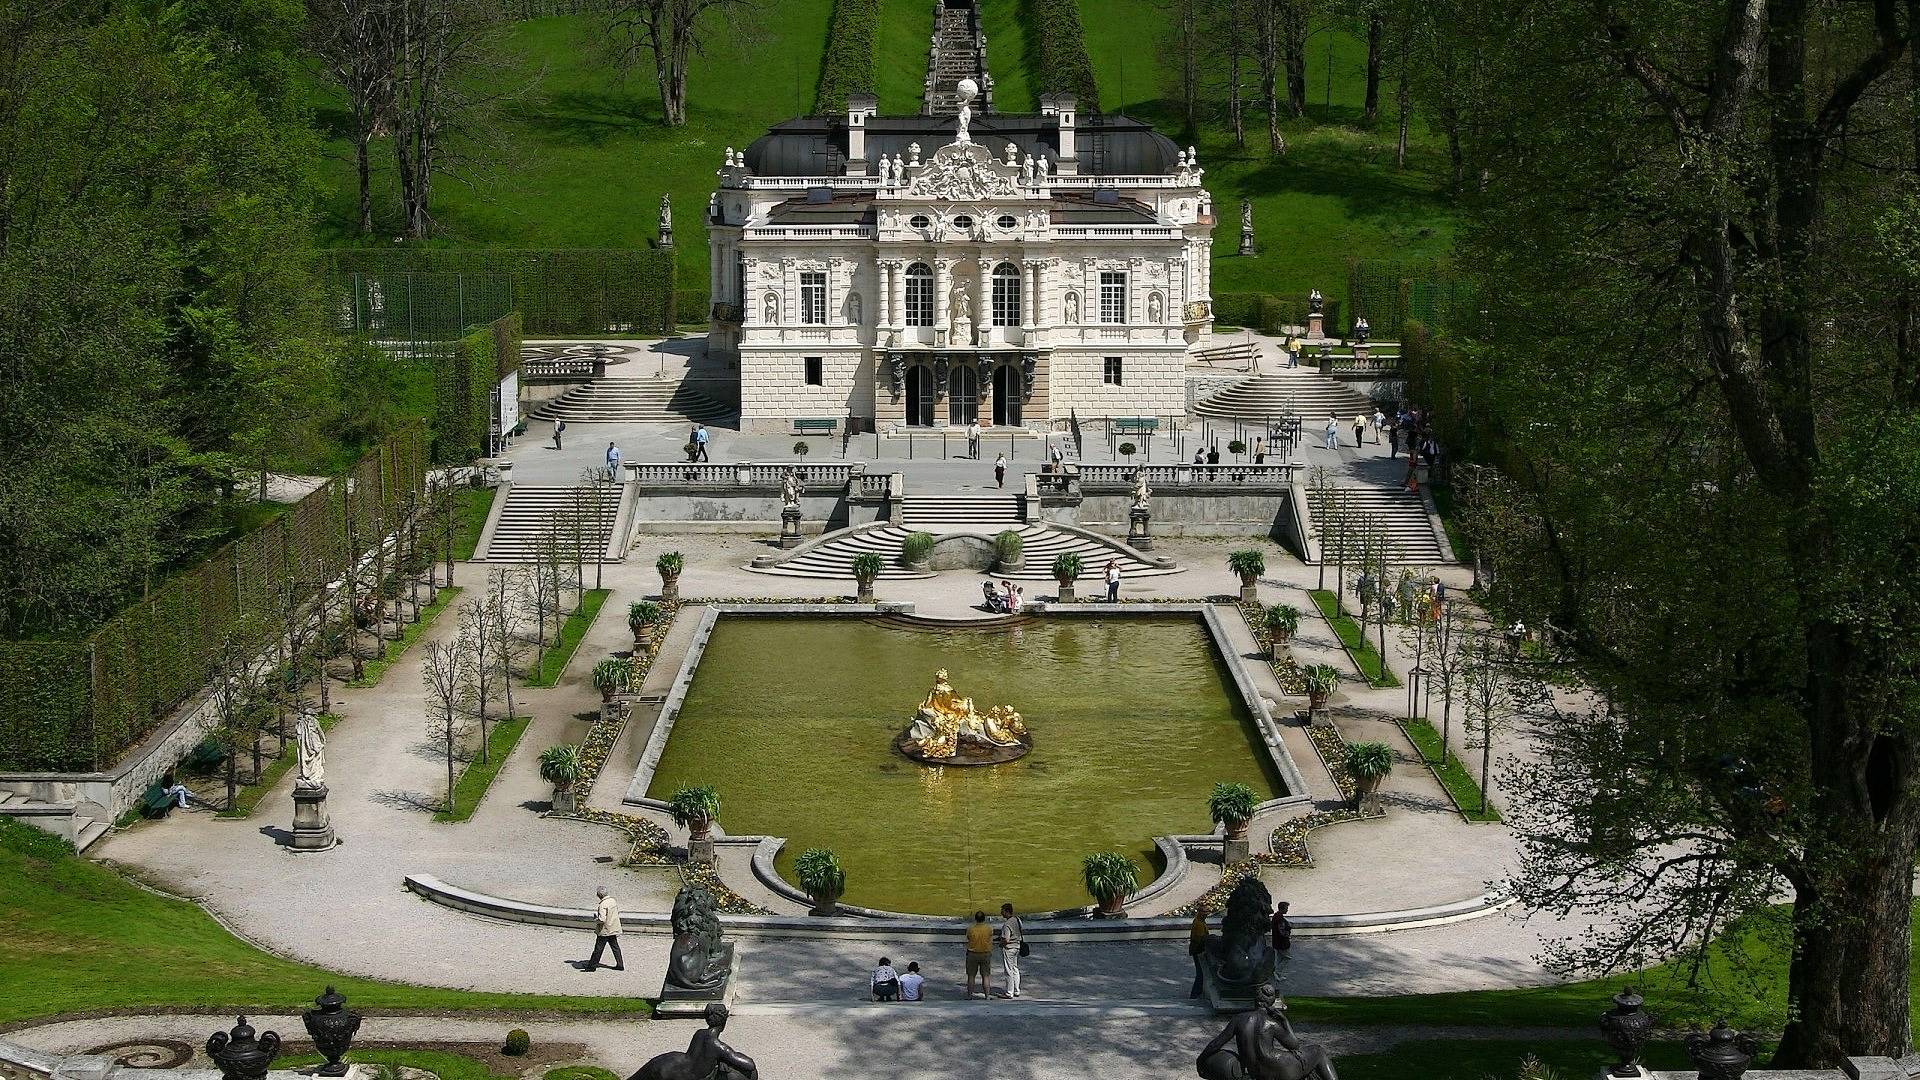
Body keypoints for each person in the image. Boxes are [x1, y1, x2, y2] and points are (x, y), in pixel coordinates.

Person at [584, 887, 624, 971]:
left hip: (605, 929)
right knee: (615, 947)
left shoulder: (602, 905)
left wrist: (596, 919)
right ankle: (620, 965)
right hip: (613, 927)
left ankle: (592, 966)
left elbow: (602, 919)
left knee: (598, 949)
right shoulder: (613, 901)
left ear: (599, 895)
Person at [998, 902, 1025, 998]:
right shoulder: (1017, 919)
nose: (1001, 913)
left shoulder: (1007, 924)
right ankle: (1017, 990)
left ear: (1006, 911)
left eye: (1002, 911)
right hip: (1017, 946)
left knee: (1008, 970)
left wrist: (1001, 944)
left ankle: (1009, 992)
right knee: (1015, 969)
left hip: (1009, 948)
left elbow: (1006, 939)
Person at [965, 910, 994, 998]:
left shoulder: (970, 928)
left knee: (971, 976)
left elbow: (968, 938)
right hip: (985, 953)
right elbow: (990, 938)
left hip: (972, 953)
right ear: (984, 919)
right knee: (986, 976)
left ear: (975, 919)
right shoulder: (989, 928)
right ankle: (987, 996)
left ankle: (969, 996)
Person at [1189, 904, 1212, 998]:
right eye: (1204, 912)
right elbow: (1200, 939)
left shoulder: (1200, 921)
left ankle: (1197, 992)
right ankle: (1195, 993)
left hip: (1197, 950)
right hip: (1198, 950)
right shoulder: (1198, 924)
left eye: (1207, 912)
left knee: (1201, 972)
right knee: (1200, 973)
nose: (1206, 914)